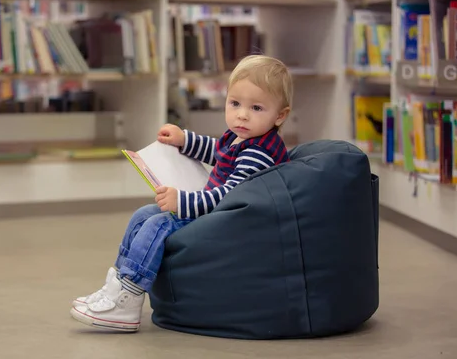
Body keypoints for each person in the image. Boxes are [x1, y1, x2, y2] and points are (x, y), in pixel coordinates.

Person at [70, 55, 293, 332]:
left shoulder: (259, 152)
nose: (242, 114)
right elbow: (217, 151)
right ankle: (115, 287)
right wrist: (184, 140)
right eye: (235, 103)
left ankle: (129, 296)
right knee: (143, 215)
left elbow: (229, 195)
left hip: (230, 219)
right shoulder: (244, 137)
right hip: (216, 211)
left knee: (159, 222)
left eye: (256, 107)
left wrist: (183, 201)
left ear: (280, 115)